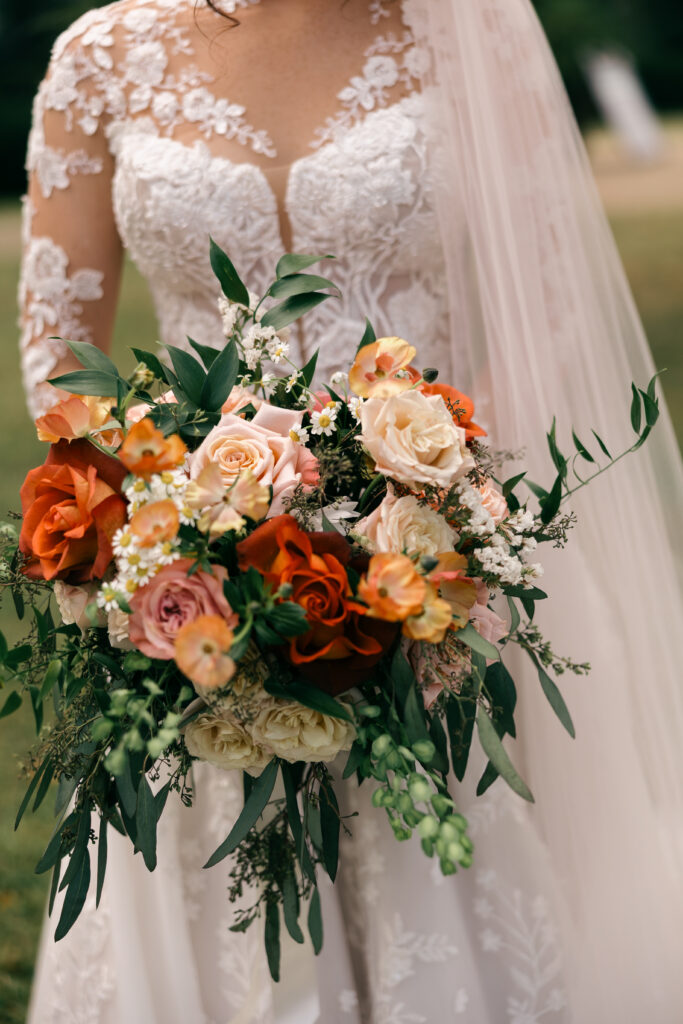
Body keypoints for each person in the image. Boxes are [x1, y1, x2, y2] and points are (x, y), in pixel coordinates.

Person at [19, 1, 683, 1021]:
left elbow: (543, 307)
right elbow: (61, 354)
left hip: (443, 568)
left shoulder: (467, 35)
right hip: (197, 603)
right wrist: (176, 539)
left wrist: (433, 510)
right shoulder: (102, 58)